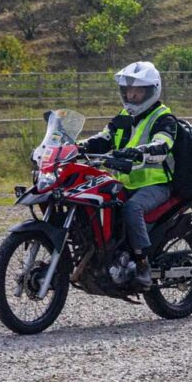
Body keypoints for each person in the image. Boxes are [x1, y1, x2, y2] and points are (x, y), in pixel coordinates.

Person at [78, 61, 176, 289]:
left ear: (152, 90)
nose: (132, 95)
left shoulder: (163, 117)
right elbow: (103, 138)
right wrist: (77, 147)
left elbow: (163, 143)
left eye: (138, 91)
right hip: (124, 182)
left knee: (132, 208)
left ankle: (142, 264)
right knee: (96, 201)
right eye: (128, 91)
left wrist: (142, 151)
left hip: (157, 184)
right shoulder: (124, 115)